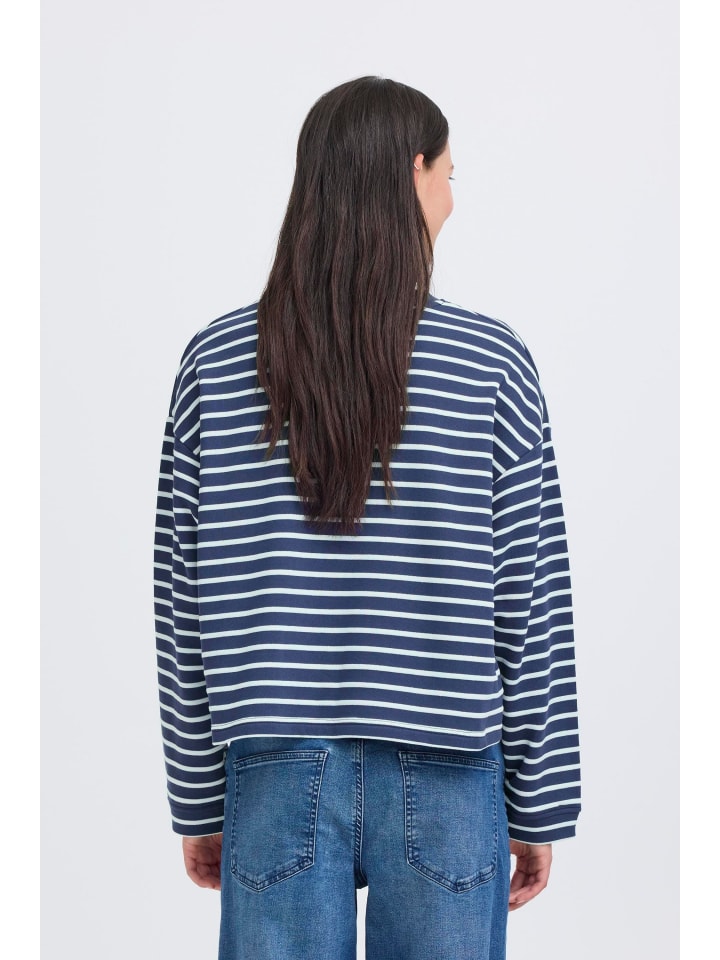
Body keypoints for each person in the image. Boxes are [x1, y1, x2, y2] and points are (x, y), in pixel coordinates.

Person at [153, 76, 581, 960]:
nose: (453, 198)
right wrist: (538, 800)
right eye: (451, 175)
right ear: (414, 171)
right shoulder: (492, 364)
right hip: (450, 772)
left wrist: (197, 795)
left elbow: (181, 598)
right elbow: (529, 601)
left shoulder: (216, 362)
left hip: (273, 768)